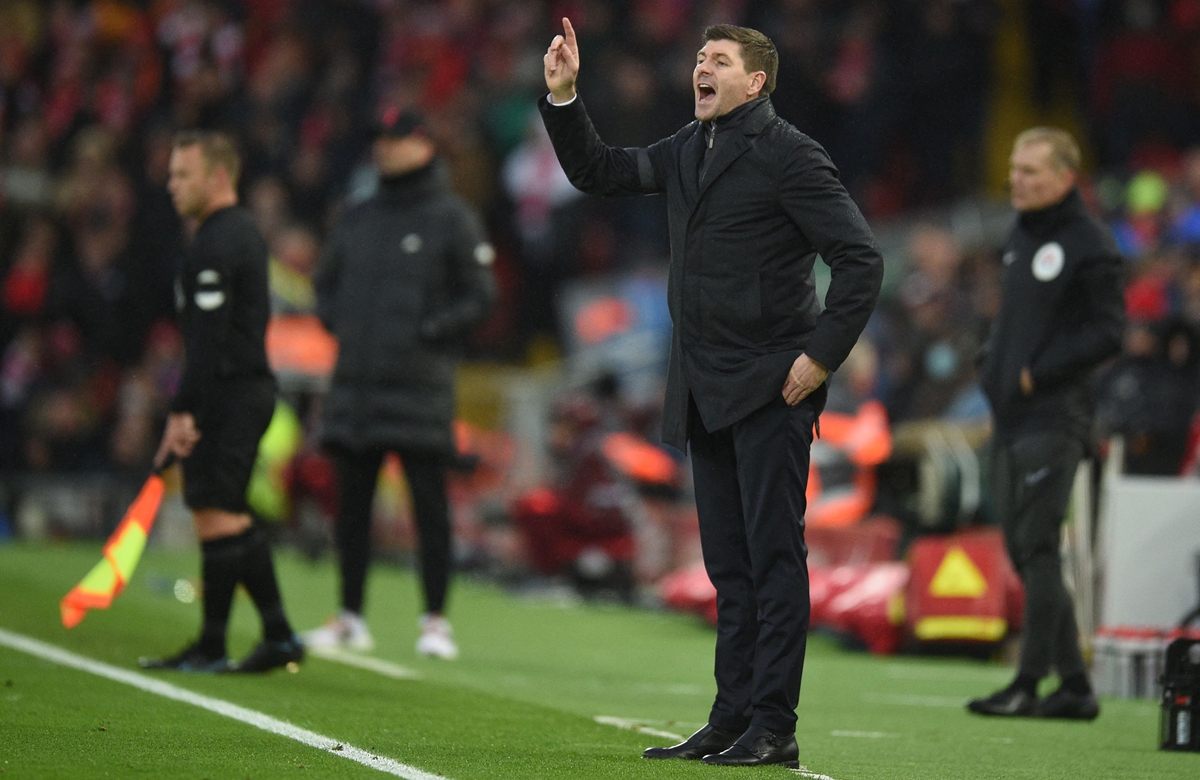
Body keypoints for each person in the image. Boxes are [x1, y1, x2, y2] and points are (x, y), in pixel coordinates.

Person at [542, 20, 883, 767]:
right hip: (703, 386)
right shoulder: (687, 148)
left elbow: (859, 261)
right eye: (700, 58)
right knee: (729, 567)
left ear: (756, 82)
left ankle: (775, 727)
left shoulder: (793, 155)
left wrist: (819, 358)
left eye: (719, 60)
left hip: (770, 385)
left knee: (772, 559)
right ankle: (730, 718)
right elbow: (598, 171)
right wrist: (564, 97)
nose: (701, 67)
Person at [305, 107, 497, 660]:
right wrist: (340, 324)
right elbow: (325, 283)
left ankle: (435, 621)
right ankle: (349, 616)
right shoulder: (359, 215)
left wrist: (429, 331)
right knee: (352, 508)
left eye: (395, 139)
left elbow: (481, 294)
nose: (384, 149)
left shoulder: (451, 218)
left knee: (429, 508)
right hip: (358, 386)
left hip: (419, 388)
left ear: (423, 146)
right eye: (380, 139)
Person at [969, 127, 1124, 720]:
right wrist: (993, 364)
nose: (1017, 180)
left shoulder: (1089, 243)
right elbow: (1015, 319)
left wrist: (1039, 373)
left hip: (1055, 419)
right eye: (1014, 169)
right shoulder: (1023, 234)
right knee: (1024, 548)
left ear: (1065, 178)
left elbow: (1109, 331)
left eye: (1032, 171)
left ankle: (1029, 682)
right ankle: (1077, 688)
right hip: (1011, 417)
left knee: (1035, 548)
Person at [141, 131, 303, 674]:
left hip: (231, 392)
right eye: (171, 174)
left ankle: (214, 644)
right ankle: (278, 636)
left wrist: (184, 412)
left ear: (217, 177)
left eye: (182, 174)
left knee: (216, 514)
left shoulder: (221, 240)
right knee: (224, 512)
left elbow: (207, 341)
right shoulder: (225, 235)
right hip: (234, 390)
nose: (171, 185)